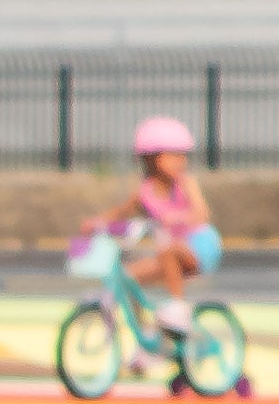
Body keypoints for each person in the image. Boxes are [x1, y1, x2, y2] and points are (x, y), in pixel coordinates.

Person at [94, 112, 223, 360]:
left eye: (183, 156)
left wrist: (178, 218)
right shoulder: (146, 193)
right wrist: (97, 223)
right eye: (173, 155)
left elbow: (202, 213)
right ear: (152, 159)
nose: (180, 162)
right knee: (127, 278)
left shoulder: (185, 183)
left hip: (200, 246)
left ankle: (179, 307)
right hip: (171, 254)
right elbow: (121, 212)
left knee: (166, 248)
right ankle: (147, 340)